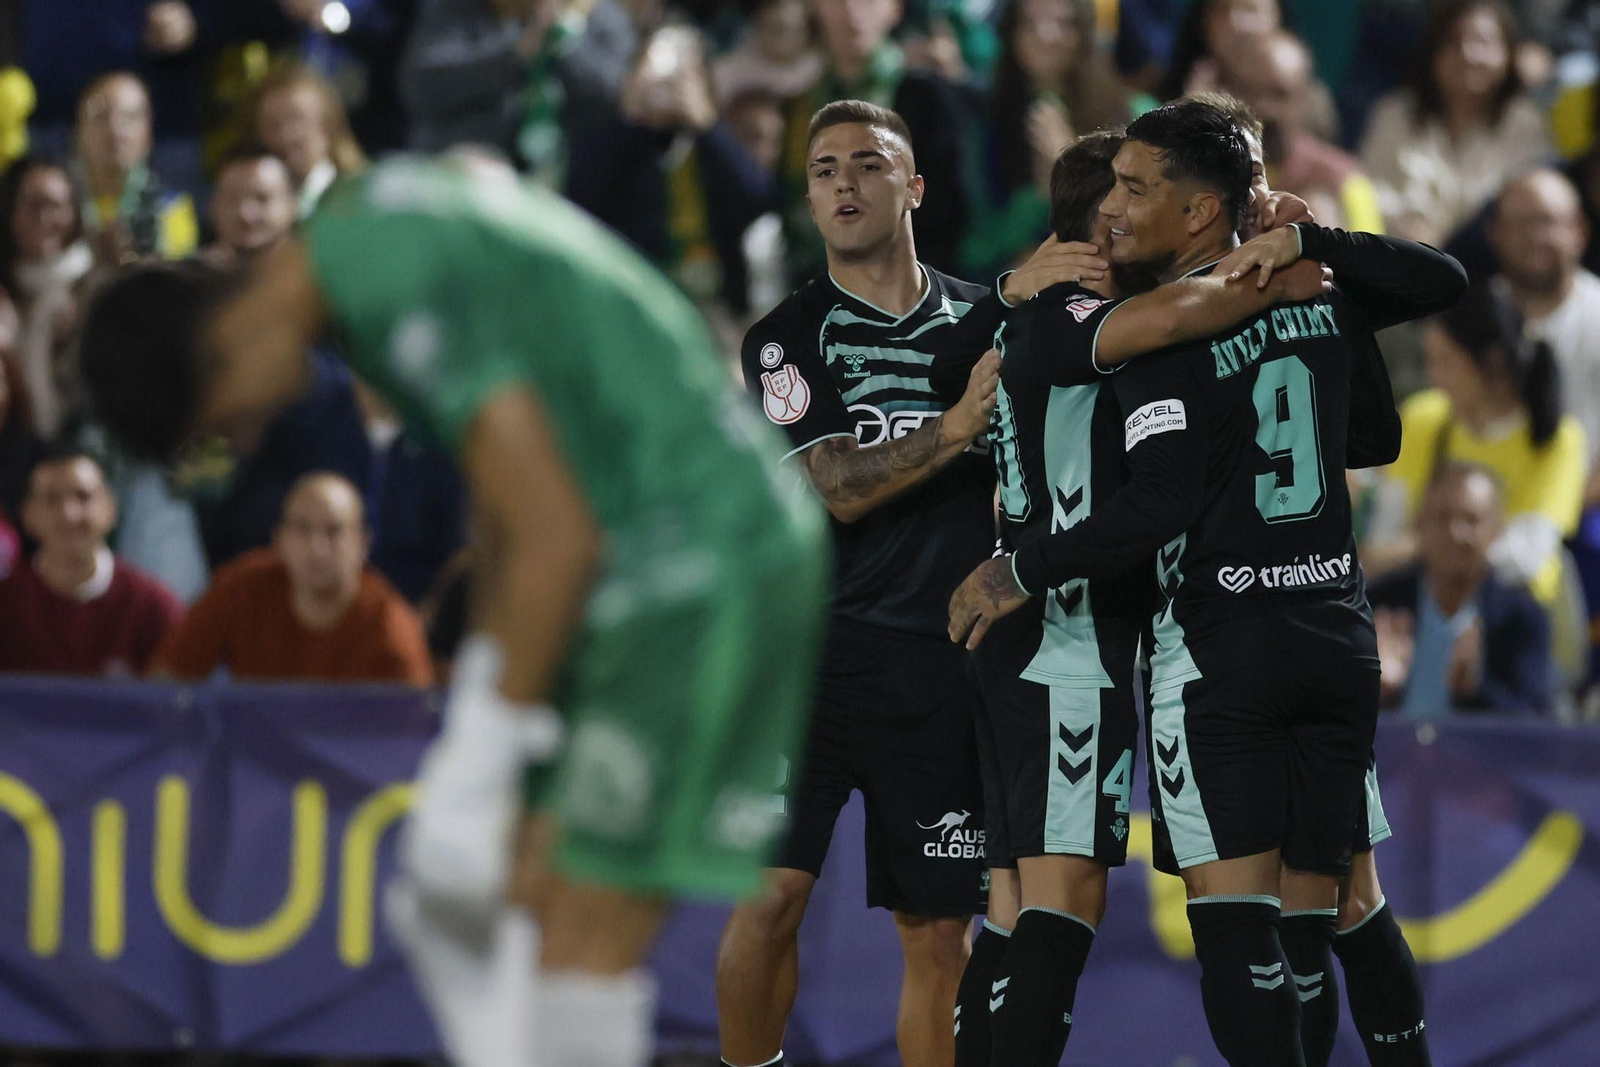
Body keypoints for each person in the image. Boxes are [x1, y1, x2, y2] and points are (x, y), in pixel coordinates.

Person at [77, 154, 828, 1067]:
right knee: (530, 903)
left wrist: (479, 751)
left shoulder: (386, 283)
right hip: (658, 545)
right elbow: (512, 506)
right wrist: (483, 689)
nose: (244, 438)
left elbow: (554, 533)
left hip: (700, 555)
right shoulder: (362, 225)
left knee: (580, 940)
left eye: (217, 429)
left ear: (214, 353)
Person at [947, 99, 1464, 1066]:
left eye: (1140, 191)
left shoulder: (1154, 337)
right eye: (1119, 190)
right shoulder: (1309, 286)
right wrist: (1305, 250)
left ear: (1193, 212)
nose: (1125, 210)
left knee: (1231, 925)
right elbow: (1383, 426)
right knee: (1338, 909)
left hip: (1214, 648)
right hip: (1336, 634)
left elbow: (1160, 503)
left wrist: (1021, 566)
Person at [718, 99, 1105, 1067]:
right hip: (808, 663)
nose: (842, 183)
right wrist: (949, 432)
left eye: (866, 163)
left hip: (939, 668)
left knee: (937, 935)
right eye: (821, 170)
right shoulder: (783, 336)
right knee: (768, 900)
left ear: (914, 186)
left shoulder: (988, 319)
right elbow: (836, 485)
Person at [1365, 292, 1586, 608]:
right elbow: (1382, 542)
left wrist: (1424, 545)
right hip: (1419, 612)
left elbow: (1527, 556)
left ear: (1493, 362)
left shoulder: (1558, 440)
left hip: (1513, 615)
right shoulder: (1421, 418)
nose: (1433, 377)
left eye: (1445, 362)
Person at [155, 471, 434, 685]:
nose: (317, 548)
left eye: (334, 531)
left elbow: (409, 740)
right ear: (279, 539)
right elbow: (167, 682)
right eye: (302, 528)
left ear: (362, 544)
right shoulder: (240, 589)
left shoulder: (392, 633)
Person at [775, 0, 971, 279]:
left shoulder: (929, 98)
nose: (851, 11)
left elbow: (947, 216)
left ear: (895, 8)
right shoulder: (802, 107)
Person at [961, 0, 1131, 280]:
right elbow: (975, 249)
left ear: (1084, 32)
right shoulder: (986, 124)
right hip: (1019, 282)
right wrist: (1040, 196)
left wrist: (1070, 173)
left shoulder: (1127, 111)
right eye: (1029, 23)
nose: (1044, 34)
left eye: (1062, 22)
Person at [1358, 0, 1551, 245]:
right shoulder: (1394, 114)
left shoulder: (1526, 127)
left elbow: (1524, 212)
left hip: (1486, 271)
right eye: (1454, 42)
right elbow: (1365, 192)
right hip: (1395, 258)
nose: (1468, 55)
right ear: (1434, 53)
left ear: (1508, 55)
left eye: (1484, 44)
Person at [1370, 463, 1553, 716]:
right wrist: (1373, 687)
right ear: (1419, 523)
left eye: (1471, 519)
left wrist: (1475, 690)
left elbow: (1537, 727)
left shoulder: (1521, 617)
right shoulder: (1377, 603)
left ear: (1496, 530)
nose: (1455, 532)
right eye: (1442, 517)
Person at [0, 446, 182, 676]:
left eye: (83, 496)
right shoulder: (6, 606)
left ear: (110, 508)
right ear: (28, 515)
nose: (69, 514)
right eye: (51, 500)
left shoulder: (153, 608)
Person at [1486, 168, 1600, 501]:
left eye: (1547, 221)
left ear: (1579, 230)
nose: (1535, 237)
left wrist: (1557, 509)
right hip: (1485, 520)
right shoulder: (1471, 318)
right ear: (1496, 233)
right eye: (1521, 223)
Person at [1225, 30, 1384, 233]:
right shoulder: (1214, 175)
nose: (1264, 108)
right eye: (1252, 92)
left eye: (1279, 94)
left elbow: (1371, 261)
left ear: (1305, 100)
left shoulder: (1346, 183)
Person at [0, 156, 96, 436]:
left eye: (55, 205)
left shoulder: (94, 289)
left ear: (75, 212)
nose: (43, 218)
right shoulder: (4, 292)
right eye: (31, 205)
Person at [72, 72, 198, 261]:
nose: (115, 129)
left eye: (130, 117)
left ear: (148, 135)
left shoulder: (172, 210)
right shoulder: (54, 209)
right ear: (79, 132)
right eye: (100, 116)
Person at [247, 60, 368, 216]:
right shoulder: (250, 211)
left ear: (328, 125)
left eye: (297, 120)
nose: (286, 136)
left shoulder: (363, 195)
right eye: (273, 125)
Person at [201, 143, 299, 266]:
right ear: (213, 206)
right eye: (232, 199)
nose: (245, 214)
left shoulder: (322, 277)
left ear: (293, 205)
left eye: (262, 199)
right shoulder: (183, 280)